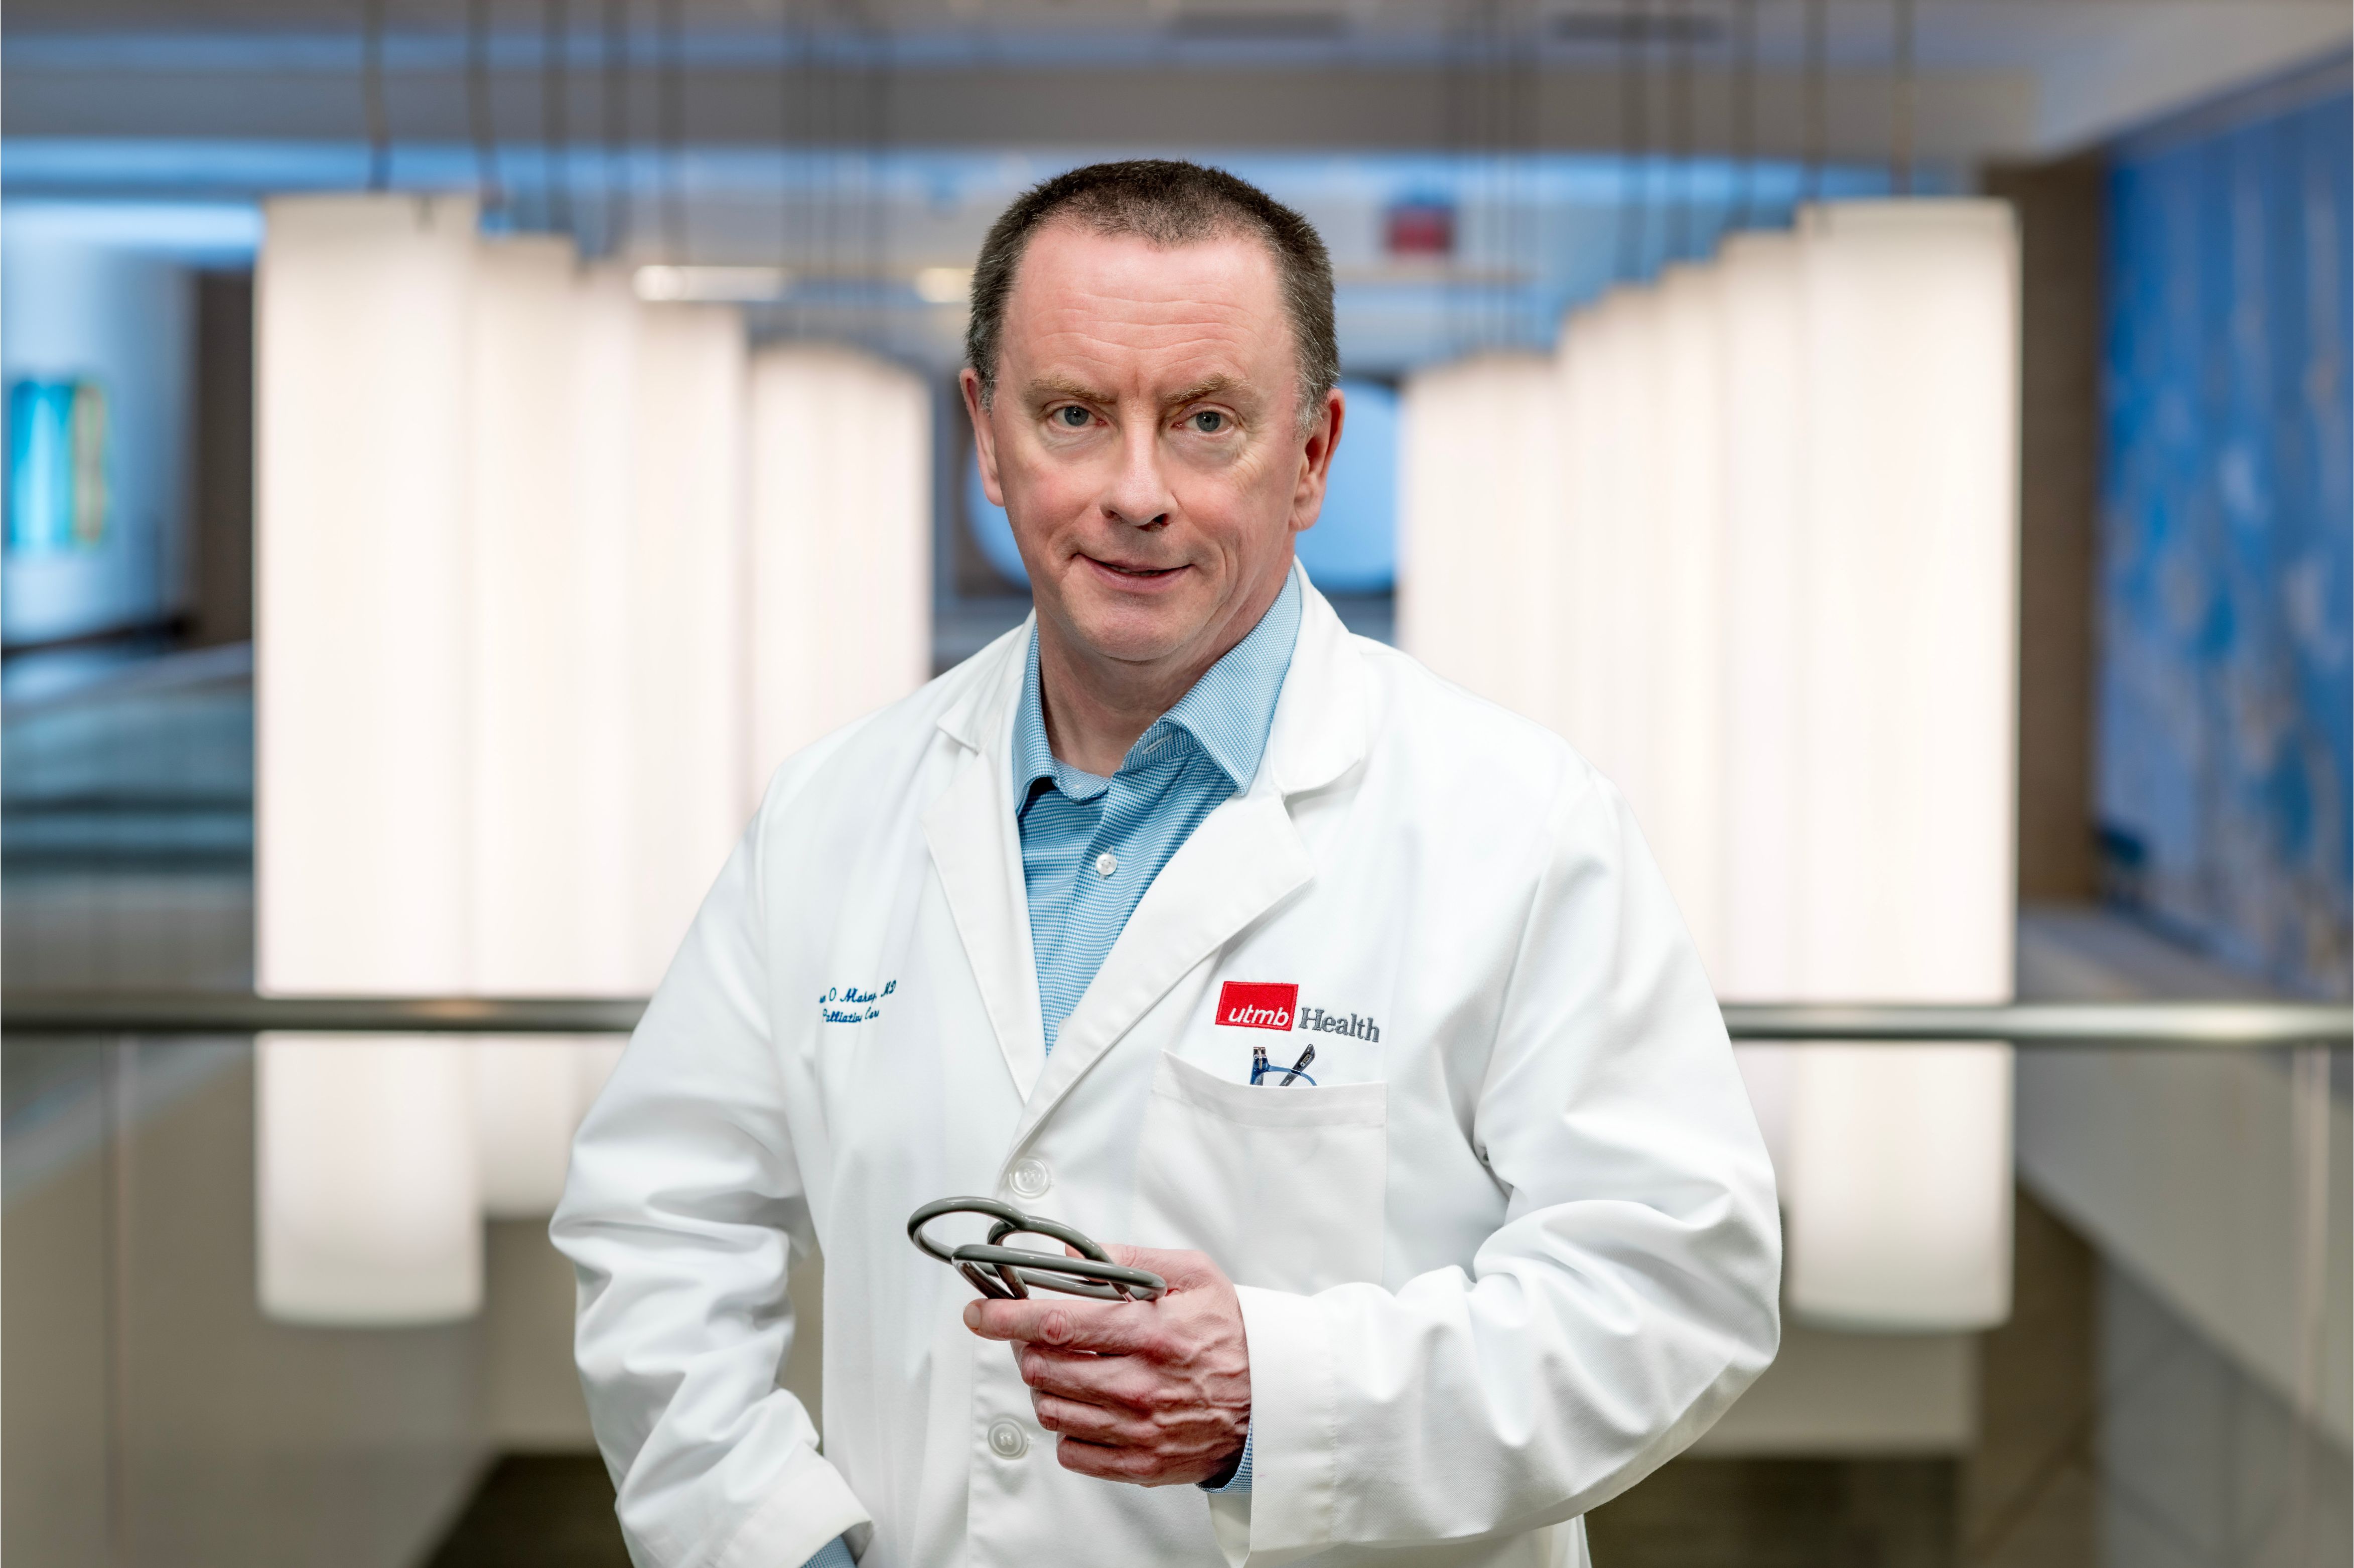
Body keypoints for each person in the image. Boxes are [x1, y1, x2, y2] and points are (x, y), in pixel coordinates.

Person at [553, 159, 1779, 1568]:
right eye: (1074, 415)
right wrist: (768, 1542)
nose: (1136, 493)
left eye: (1206, 421)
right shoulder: (833, 812)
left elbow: (1672, 1290)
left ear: (1311, 455)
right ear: (988, 437)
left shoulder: (1518, 826)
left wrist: (1283, 1401)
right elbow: (661, 1223)